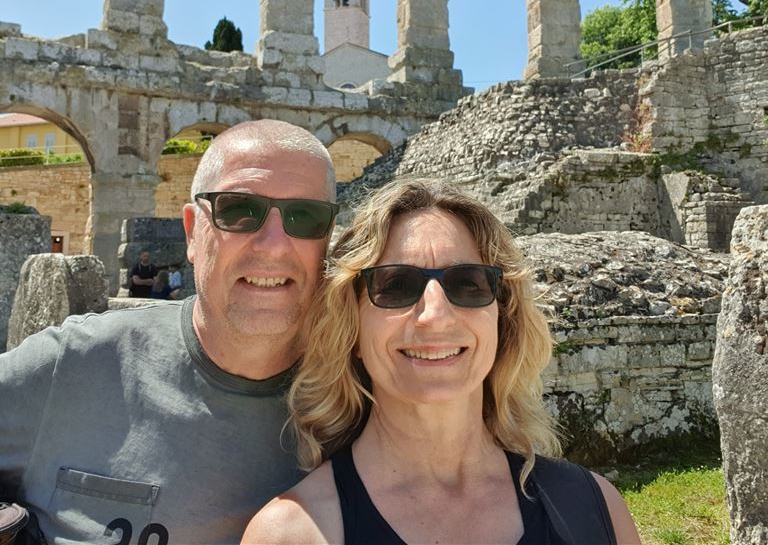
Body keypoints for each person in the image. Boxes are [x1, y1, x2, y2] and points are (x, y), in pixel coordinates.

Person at [242, 179, 641, 545]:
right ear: (352, 327)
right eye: (396, 285)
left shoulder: (595, 510)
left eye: (468, 283)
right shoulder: (292, 534)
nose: (435, 315)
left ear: (502, 319)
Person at [0, 119, 338, 544]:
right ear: (192, 231)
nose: (272, 244)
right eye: (238, 210)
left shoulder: (371, 403)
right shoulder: (72, 364)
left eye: (305, 216)